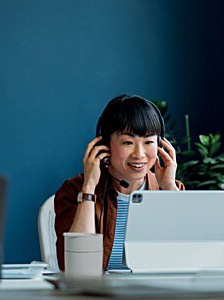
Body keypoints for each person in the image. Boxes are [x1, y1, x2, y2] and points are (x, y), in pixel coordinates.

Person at [54, 95, 185, 271]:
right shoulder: (74, 190)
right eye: (128, 142)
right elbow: (76, 268)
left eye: (148, 142)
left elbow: (188, 261)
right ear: (105, 144)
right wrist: (89, 189)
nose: (139, 154)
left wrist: (169, 189)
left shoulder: (173, 189)